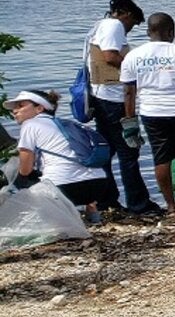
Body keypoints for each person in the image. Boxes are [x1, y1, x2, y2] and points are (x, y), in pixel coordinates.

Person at [121, 12, 175, 213]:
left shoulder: (133, 56)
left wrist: (130, 119)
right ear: (171, 32)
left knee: (161, 158)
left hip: (152, 112)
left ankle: (171, 205)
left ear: (148, 31)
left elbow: (128, 91)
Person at [87, 0, 163, 215]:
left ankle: (107, 200)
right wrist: (136, 69)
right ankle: (138, 204)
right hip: (112, 99)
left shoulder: (100, 25)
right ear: (126, 15)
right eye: (132, 23)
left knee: (108, 151)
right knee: (129, 152)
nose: (130, 29)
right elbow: (110, 56)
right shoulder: (114, 26)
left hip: (102, 97)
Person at [4, 90, 109, 224]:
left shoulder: (30, 125)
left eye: (20, 106)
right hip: (99, 185)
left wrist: (15, 186)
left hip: (65, 189)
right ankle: (92, 211)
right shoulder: (65, 124)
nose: (15, 111)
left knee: (21, 182)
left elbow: (26, 168)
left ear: (39, 108)